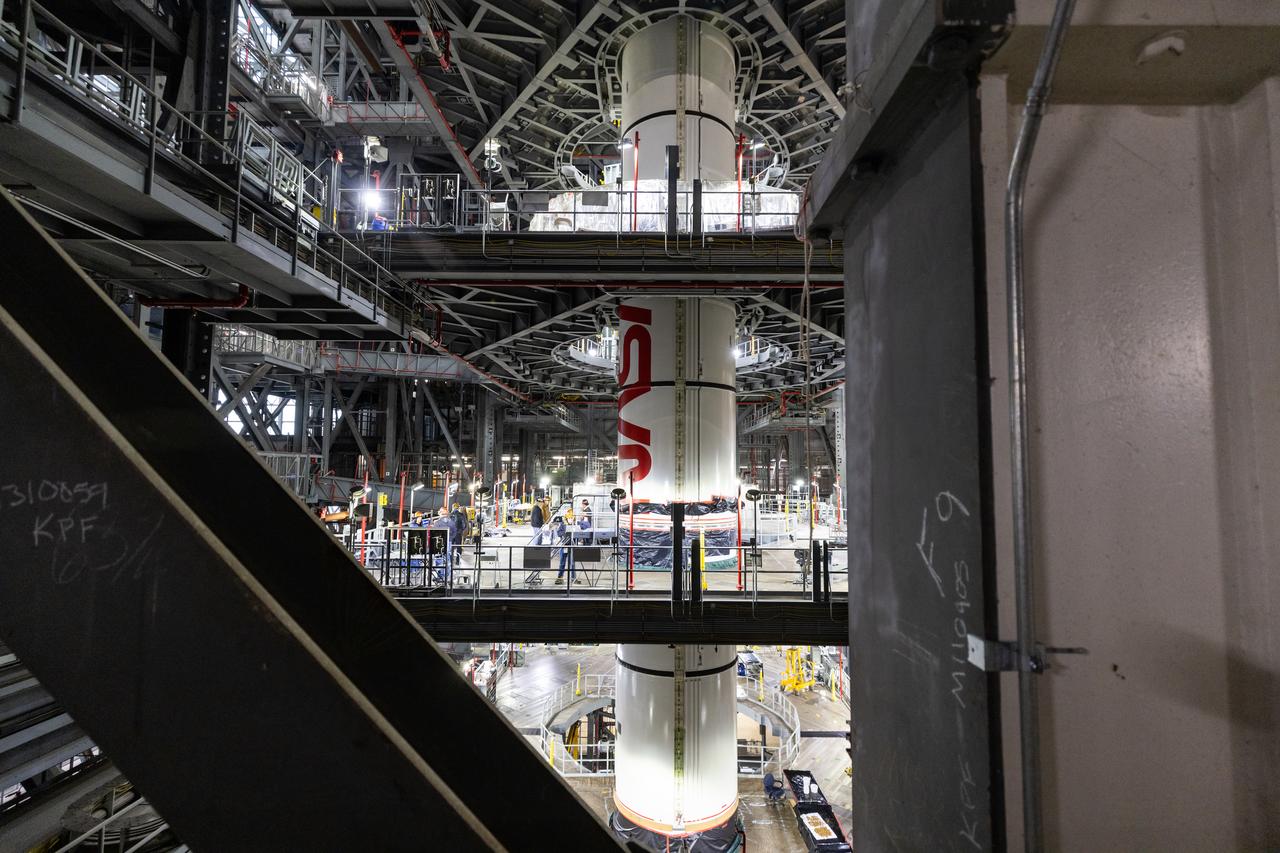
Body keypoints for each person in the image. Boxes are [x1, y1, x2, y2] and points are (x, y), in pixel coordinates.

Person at [553, 516, 579, 585]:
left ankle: (573, 578)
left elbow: (578, 534)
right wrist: (566, 533)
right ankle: (560, 578)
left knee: (572, 563)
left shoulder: (575, 525)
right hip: (564, 546)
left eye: (572, 518)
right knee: (562, 563)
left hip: (572, 546)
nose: (571, 519)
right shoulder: (563, 525)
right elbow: (559, 533)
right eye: (569, 518)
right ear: (567, 518)